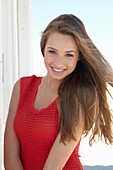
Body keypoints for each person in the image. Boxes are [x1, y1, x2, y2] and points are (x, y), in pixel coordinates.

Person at [4, 14, 113, 170]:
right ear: (43, 49)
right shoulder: (21, 87)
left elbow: (52, 167)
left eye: (69, 55)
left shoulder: (79, 96)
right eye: (52, 52)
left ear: (79, 57)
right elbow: (10, 155)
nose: (58, 62)